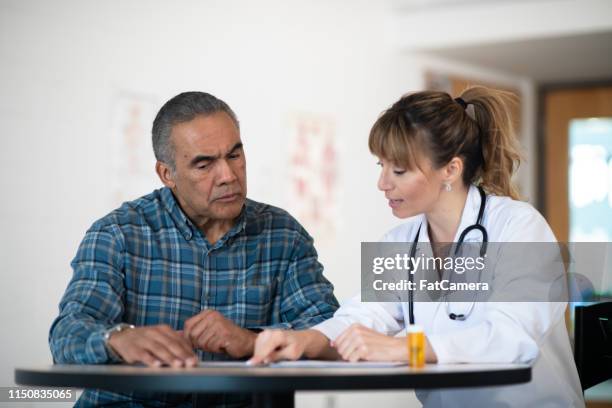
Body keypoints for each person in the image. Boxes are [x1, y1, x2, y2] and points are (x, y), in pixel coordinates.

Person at [249, 86, 585, 407]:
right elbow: (364, 316)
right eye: (381, 166)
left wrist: (406, 348)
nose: (382, 183)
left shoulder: (519, 226)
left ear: (451, 169)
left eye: (399, 170)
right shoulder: (399, 243)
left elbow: (512, 337)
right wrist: (306, 340)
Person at [49, 91, 339, 407]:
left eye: (234, 155)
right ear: (167, 174)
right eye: (204, 164)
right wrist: (116, 339)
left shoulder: (284, 236)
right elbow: (67, 335)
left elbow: (333, 337)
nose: (228, 176)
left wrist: (252, 341)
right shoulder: (118, 234)